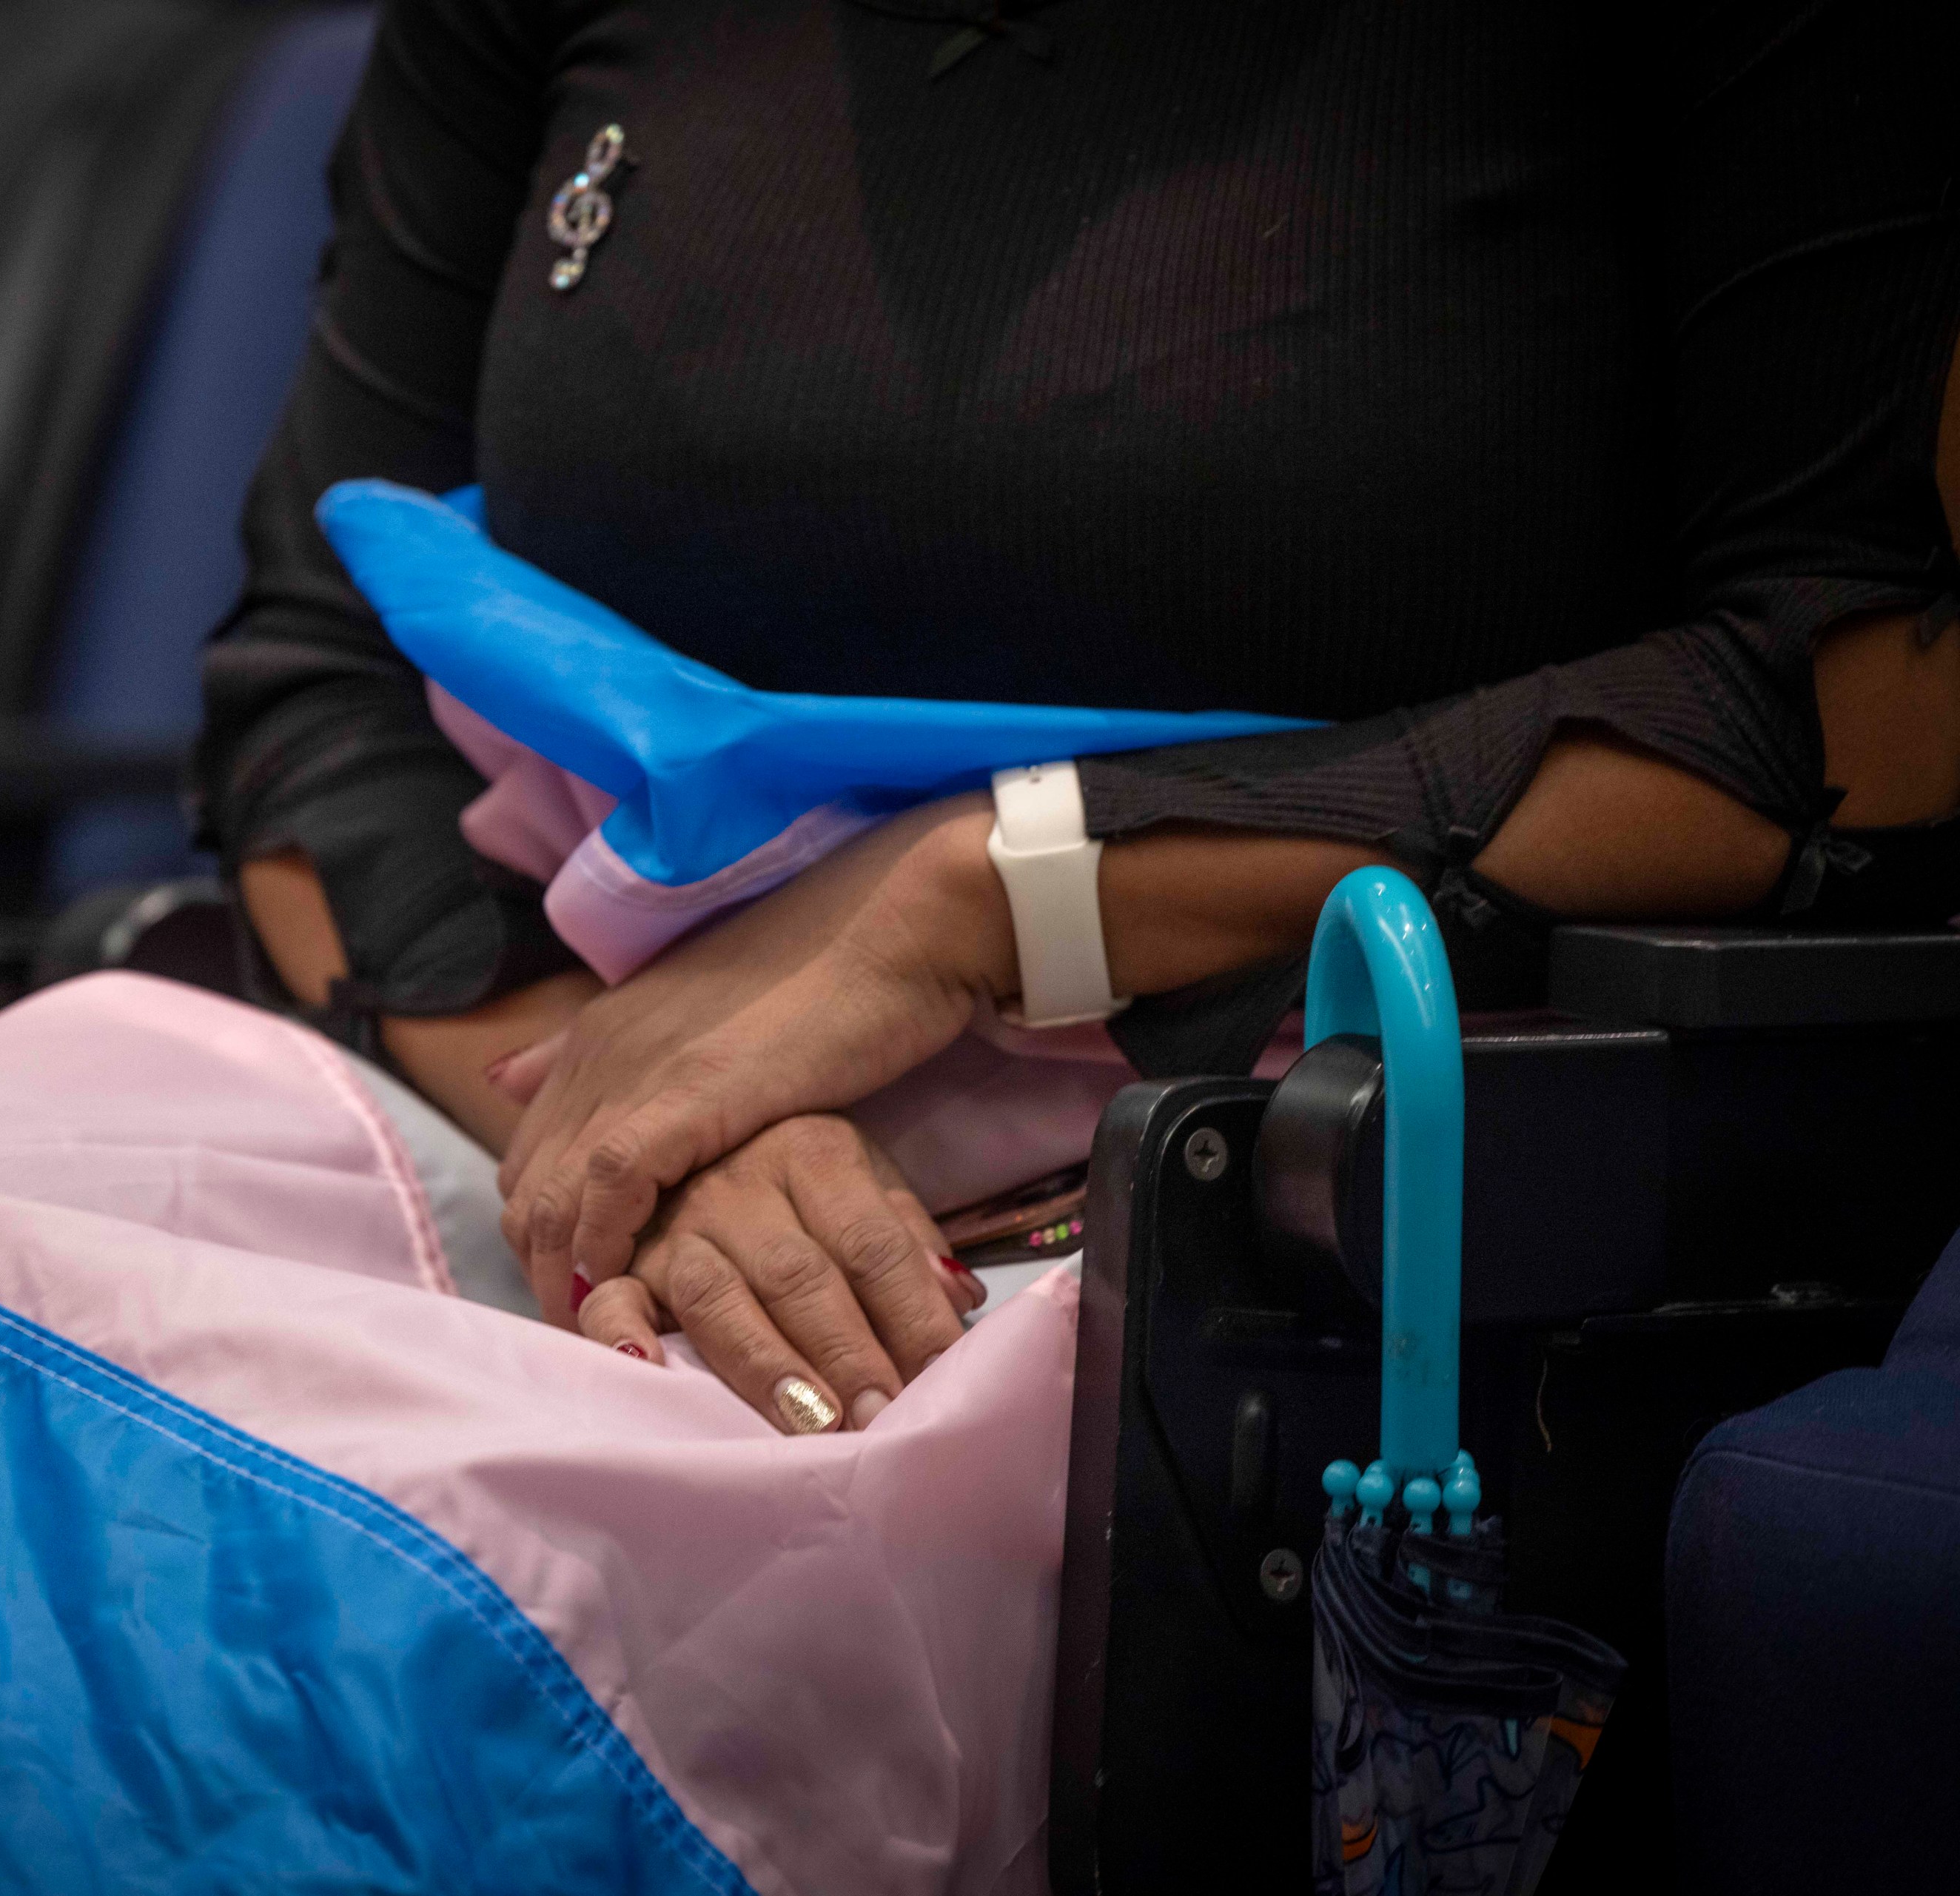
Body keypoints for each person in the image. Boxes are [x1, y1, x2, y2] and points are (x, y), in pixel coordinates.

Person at [198, 0, 1960, 1434]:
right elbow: (308, 679)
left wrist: (986, 897)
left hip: (1259, 1176)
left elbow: (1854, 702)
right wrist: (637, 1135)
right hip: (546, 1079)